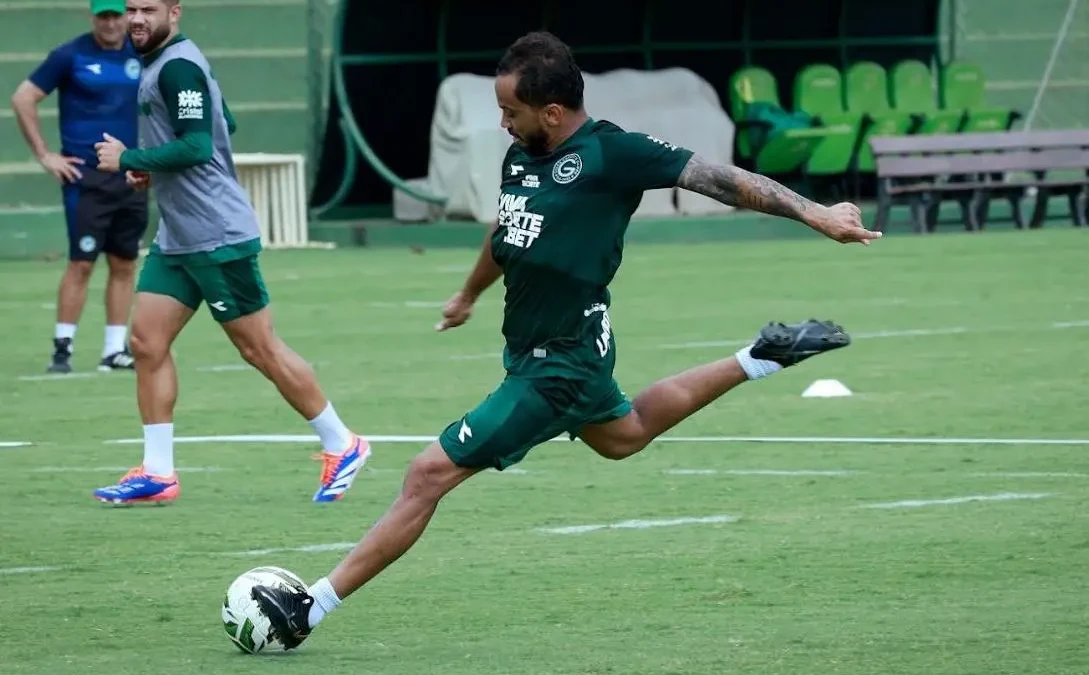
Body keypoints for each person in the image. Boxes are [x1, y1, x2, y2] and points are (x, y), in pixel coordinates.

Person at [250, 31, 880, 647]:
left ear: (552, 112)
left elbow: (718, 178)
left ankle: (310, 607)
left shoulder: (613, 154)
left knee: (427, 473)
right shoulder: (523, 153)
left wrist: (815, 213)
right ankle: (759, 357)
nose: (502, 123)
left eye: (510, 111)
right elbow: (508, 234)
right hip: (549, 348)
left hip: (558, 365)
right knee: (623, 436)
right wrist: (468, 294)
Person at [89, 0, 370, 506]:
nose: (135, 18)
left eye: (146, 9)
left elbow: (198, 147)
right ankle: (158, 472)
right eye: (129, 8)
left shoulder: (175, 65)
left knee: (258, 347)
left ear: (174, 12)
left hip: (217, 234)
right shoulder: (166, 63)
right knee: (147, 342)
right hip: (179, 236)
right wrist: (153, 166)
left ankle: (343, 443)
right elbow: (225, 124)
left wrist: (129, 157)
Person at [11, 0, 148, 374]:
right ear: (92, 18)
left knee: (125, 262)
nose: (109, 23)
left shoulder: (141, 53)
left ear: (126, 17)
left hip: (131, 174)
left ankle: (113, 350)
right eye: (102, 16)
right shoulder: (70, 55)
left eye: (115, 15)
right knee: (81, 262)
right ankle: (63, 347)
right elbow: (23, 97)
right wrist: (45, 155)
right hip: (85, 176)